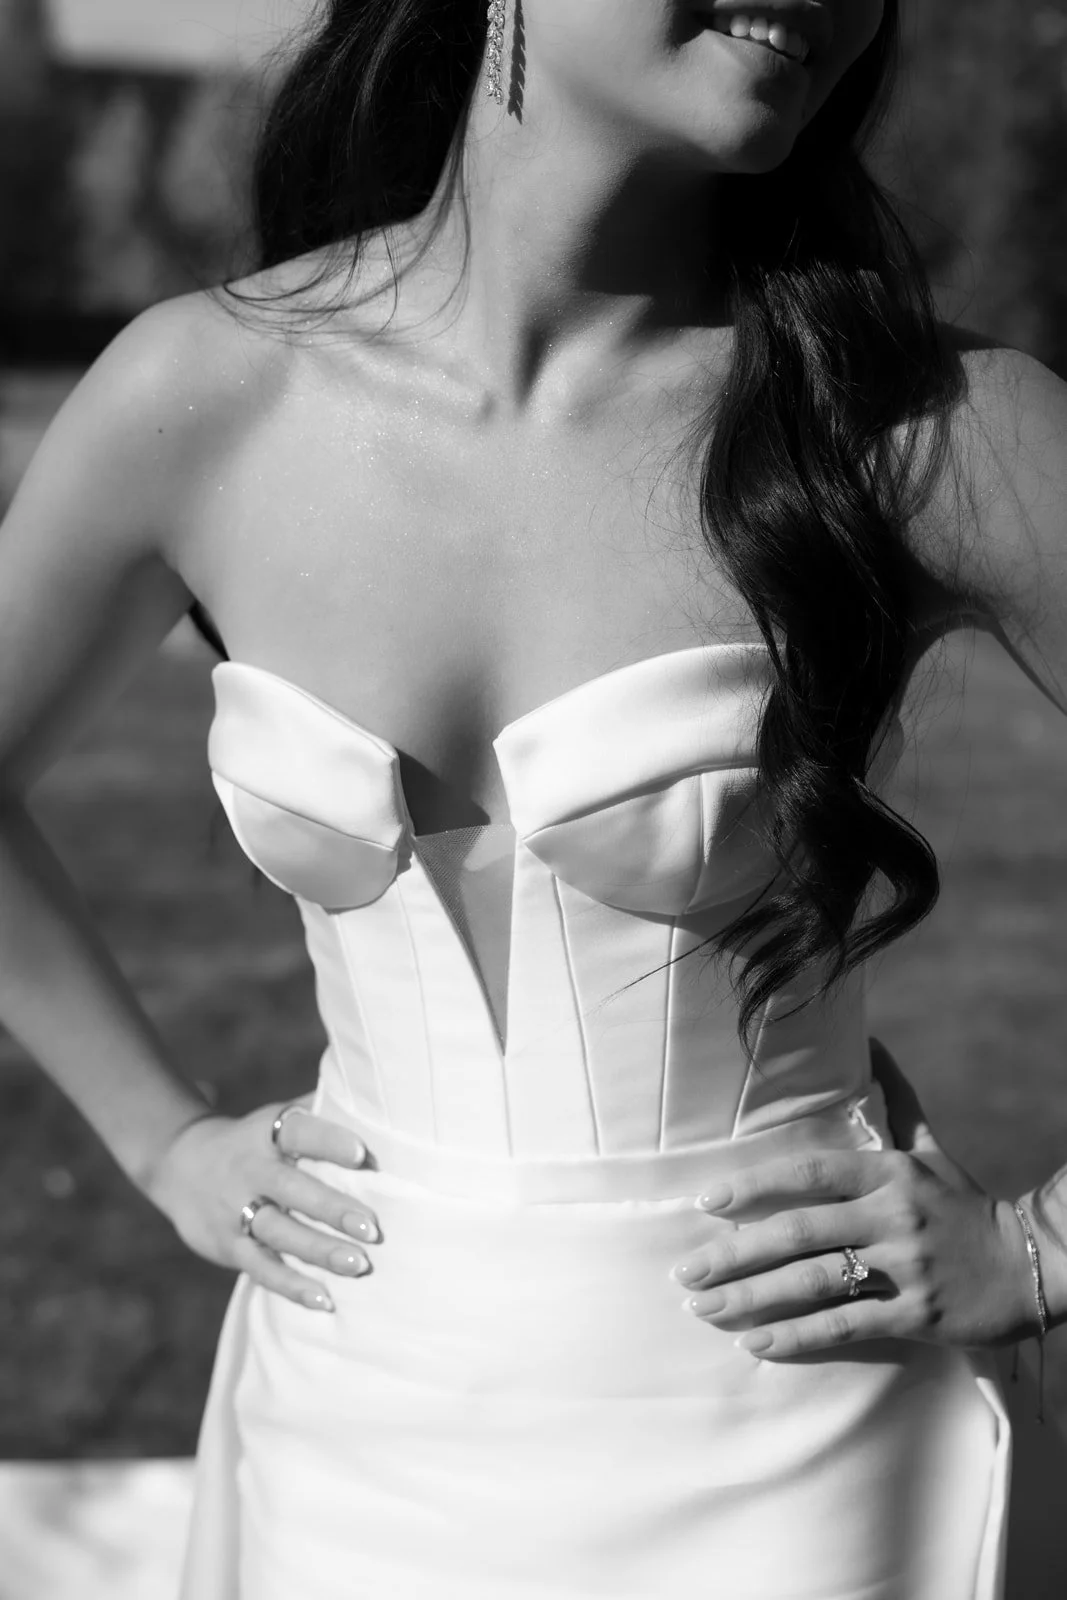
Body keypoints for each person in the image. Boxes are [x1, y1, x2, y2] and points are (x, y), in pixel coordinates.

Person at [1, 0, 1065, 1594]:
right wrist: (162, 1146)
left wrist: (1037, 1251)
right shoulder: (201, 397)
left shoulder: (927, 431)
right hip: (347, 1423)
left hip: (798, 1448)